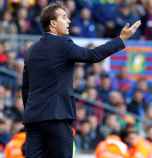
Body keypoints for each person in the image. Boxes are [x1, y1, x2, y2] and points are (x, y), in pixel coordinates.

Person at [21, 2, 141, 158]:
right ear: (52, 24)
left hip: (33, 119)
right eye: (63, 17)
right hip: (57, 117)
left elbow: (25, 88)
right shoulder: (63, 44)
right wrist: (121, 39)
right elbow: (92, 55)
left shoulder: (31, 50)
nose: (68, 21)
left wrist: (31, 111)